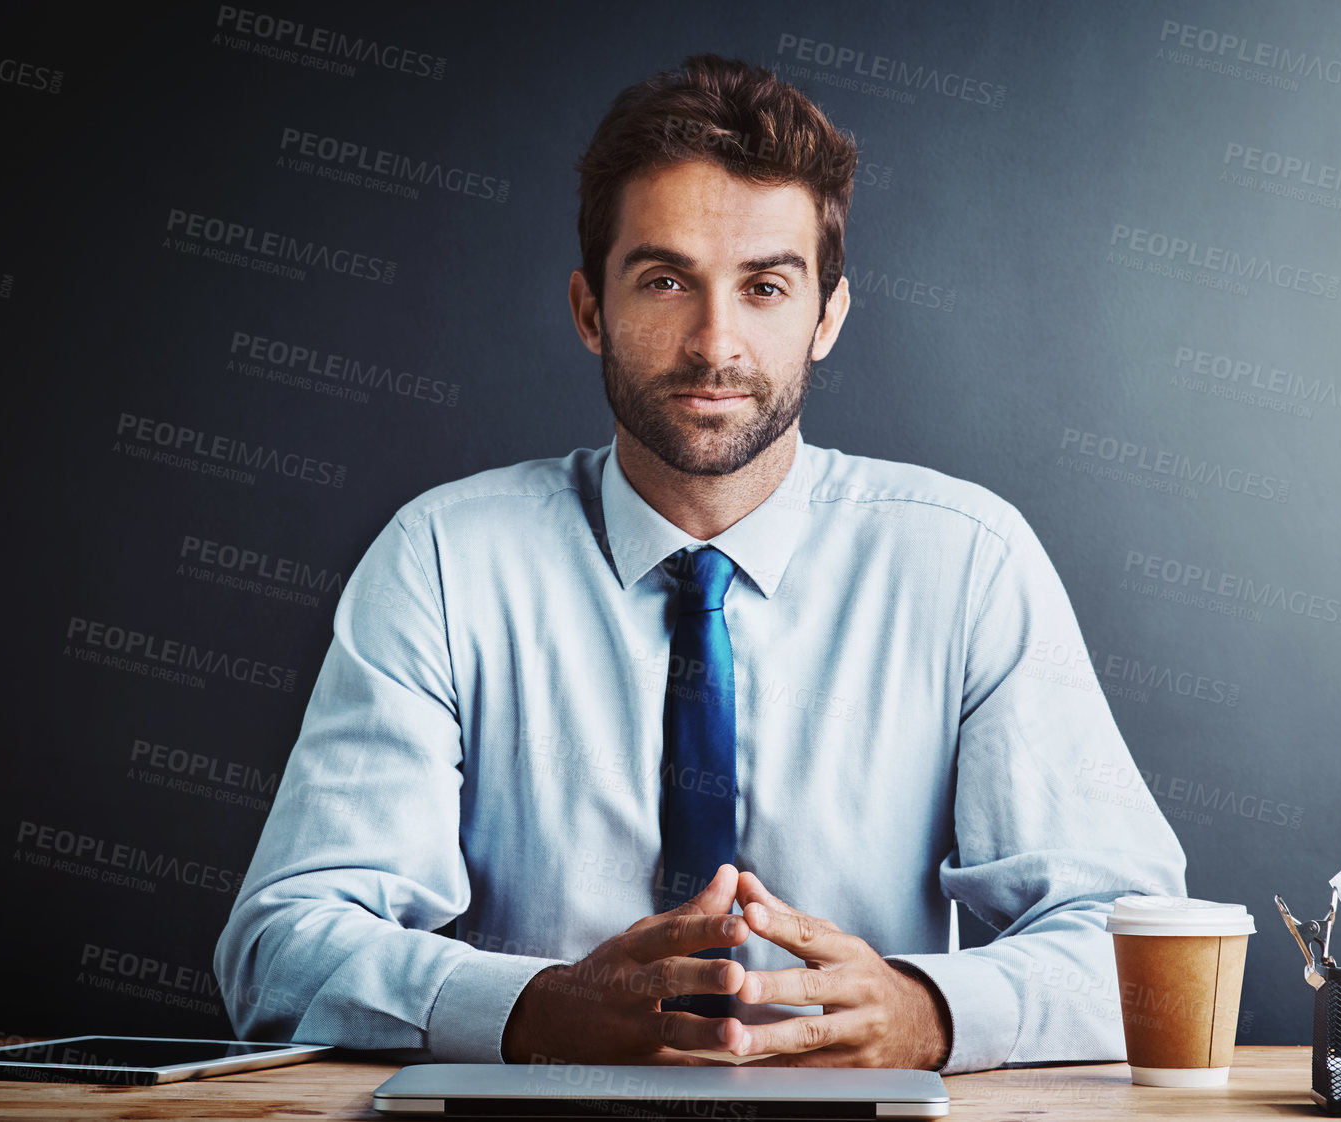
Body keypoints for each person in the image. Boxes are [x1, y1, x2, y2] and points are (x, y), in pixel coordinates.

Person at [213, 53, 1185, 1075]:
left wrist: (928, 1013)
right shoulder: (444, 562)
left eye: (765, 286)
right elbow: (282, 950)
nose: (714, 343)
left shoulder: (965, 564)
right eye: (667, 280)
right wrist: (533, 1014)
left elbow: (1142, 941)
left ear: (827, 317)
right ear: (591, 311)